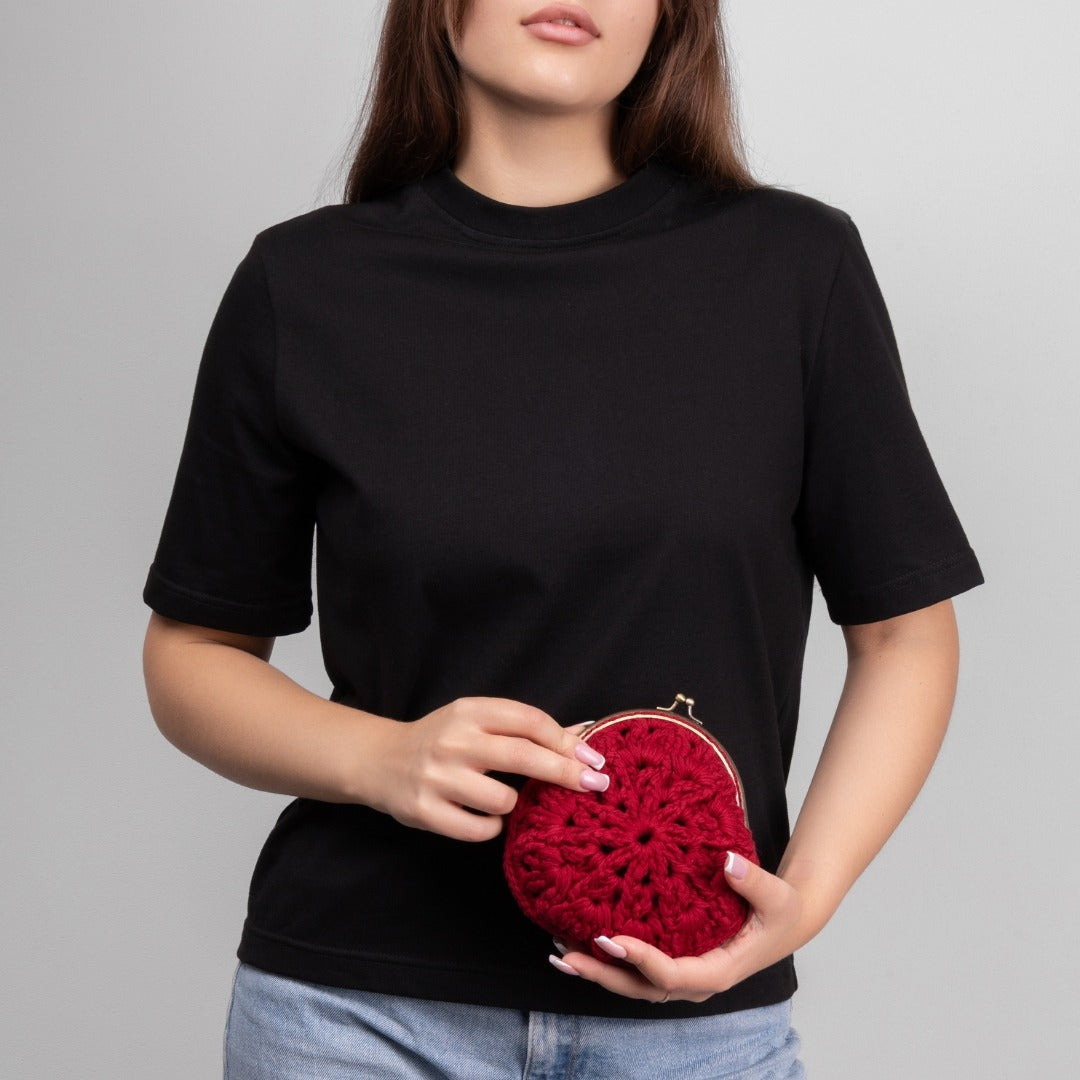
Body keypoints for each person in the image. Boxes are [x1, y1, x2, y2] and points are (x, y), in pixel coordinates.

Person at [141, 0, 985, 1076]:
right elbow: (193, 654)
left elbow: (906, 635)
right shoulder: (304, 283)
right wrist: (381, 758)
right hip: (356, 1018)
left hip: (694, 1020)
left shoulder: (795, 268)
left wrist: (801, 899)